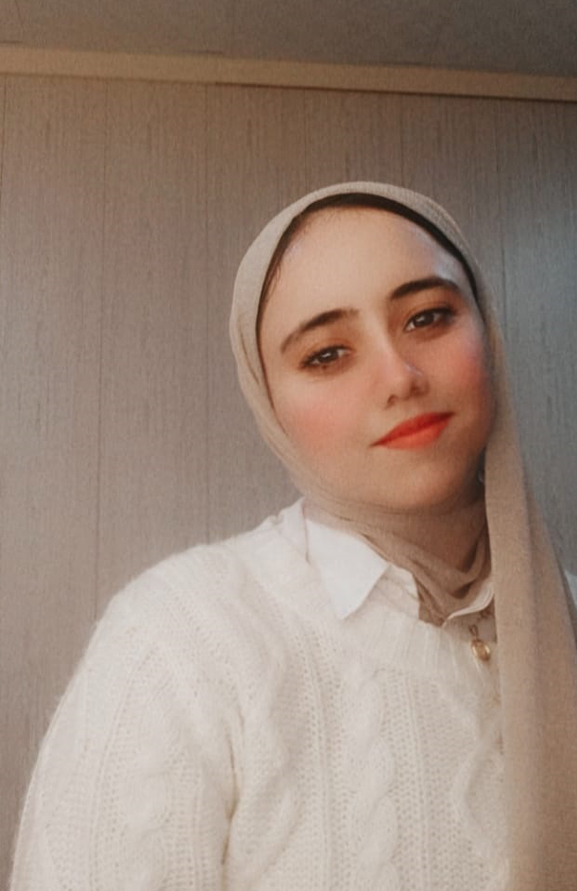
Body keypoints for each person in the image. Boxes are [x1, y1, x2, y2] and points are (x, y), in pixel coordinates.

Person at [10, 182, 577, 890]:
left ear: (487, 334)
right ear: (268, 399)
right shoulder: (183, 638)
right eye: (327, 354)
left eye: (427, 317)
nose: (398, 377)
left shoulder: (565, 617)